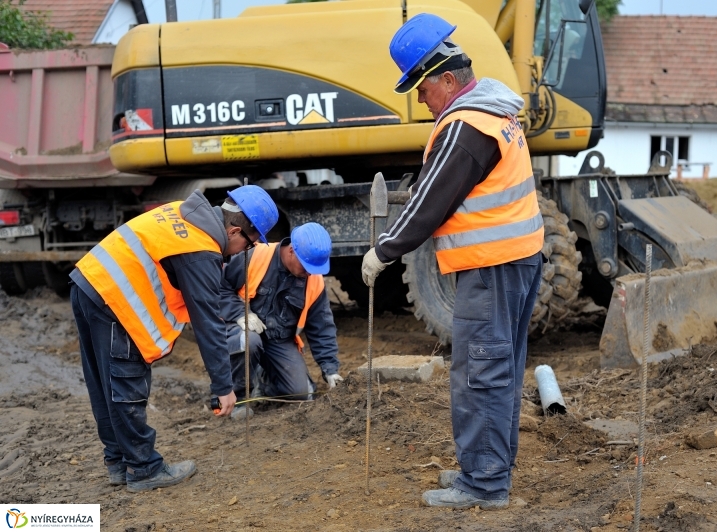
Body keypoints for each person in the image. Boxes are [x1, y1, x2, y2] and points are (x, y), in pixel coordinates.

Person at [361, 13, 544, 510]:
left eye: (422, 86)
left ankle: (483, 483)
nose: (420, 98)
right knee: (498, 371)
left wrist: (384, 250)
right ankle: (488, 468)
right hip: (516, 262)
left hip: (491, 268)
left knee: (478, 374)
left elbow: (428, 201)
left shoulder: (465, 127)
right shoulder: (496, 113)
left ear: (447, 78)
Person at [70, 185, 279, 493]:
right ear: (235, 231)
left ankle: (118, 462)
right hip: (114, 301)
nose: (244, 253)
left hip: (89, 283)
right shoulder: (201, 249)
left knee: (104, 384)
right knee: (126, 381)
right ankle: (143, 469)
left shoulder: (186, 212)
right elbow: (208, 321)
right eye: (248, 245)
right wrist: (224, 387)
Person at [220, 222, 342, 417]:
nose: (310, 272)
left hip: (279, 341)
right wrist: (239, 314)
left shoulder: (314, 280)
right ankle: (238, 400)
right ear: (292, 250)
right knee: (248, 342)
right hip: (243, 331)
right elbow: (220, 287)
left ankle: (265, 379)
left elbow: (322, 325)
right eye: (306, 266)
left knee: (300, 394)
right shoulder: (254, 256)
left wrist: (330, 368)